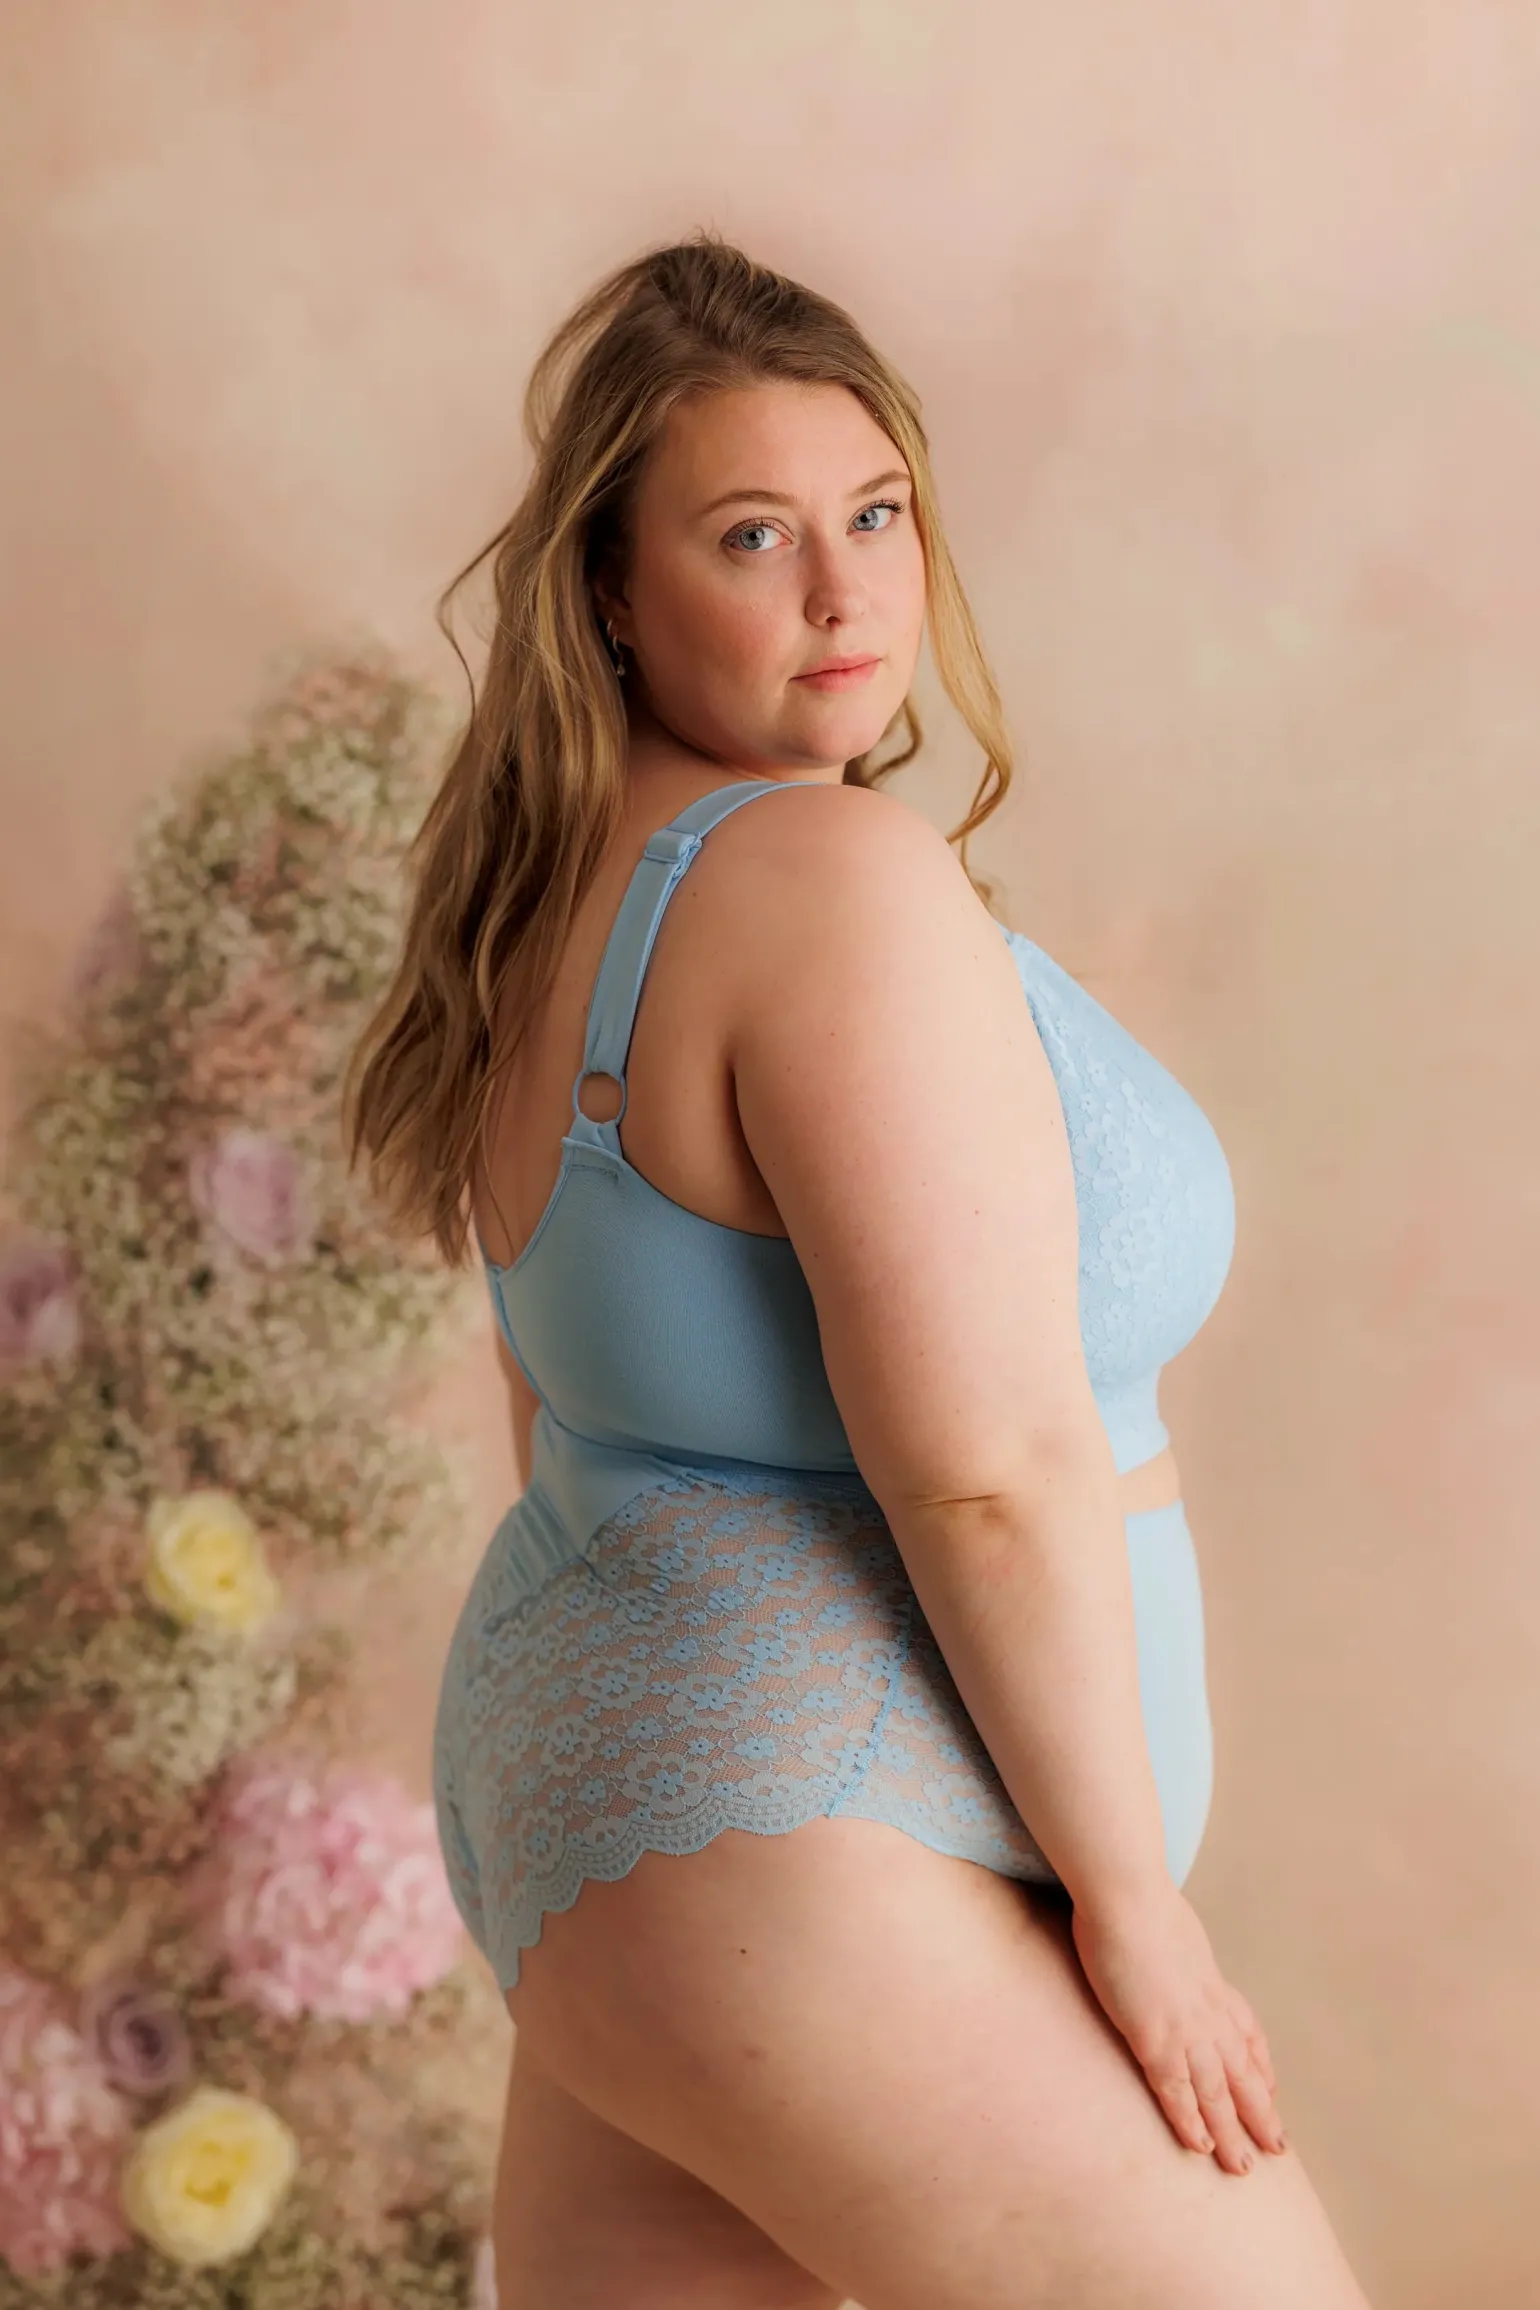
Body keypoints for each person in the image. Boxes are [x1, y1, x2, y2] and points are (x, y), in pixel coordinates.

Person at [344, 232, 1373, 2310]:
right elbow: (979, 1465)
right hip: (794, 1825)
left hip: (603, 1809)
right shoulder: (825, 878)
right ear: (611, 593)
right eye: (753, 535)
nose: (844, 592)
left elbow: (565, 1395)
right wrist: (1132, 1910)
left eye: (877, 515)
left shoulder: (554, 894)